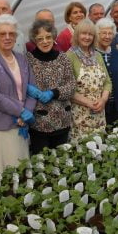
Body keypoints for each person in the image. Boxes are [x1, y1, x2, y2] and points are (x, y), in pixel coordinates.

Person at [0, 14, 36, 178]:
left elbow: (31, 89)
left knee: (21, 170)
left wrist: (28, 112)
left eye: (11, 34)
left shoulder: (21, 58)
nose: (7, 37)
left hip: (21, 125)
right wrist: (21, 111)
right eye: (2, 34)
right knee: (3, 173)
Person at [25, 20, 75, 154]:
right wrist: (29, 89)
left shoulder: (63, 58)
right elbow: (22, 83)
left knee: (61, 162)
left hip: (62, 120)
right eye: (40, 39)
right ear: (34, 41)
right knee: (42, 163)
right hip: (39, 123)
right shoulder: (28, 60)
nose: (45, 41)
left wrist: (54, 92)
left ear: (53, 37)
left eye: (48, 37)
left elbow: (71, 85)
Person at [66, 19, 112, 140]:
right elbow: (68, 89)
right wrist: (88, 103)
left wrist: (103, 99)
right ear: (77, 35)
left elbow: (107, 82)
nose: (87, 37)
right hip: (80, 115)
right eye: (84, 33)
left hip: (99, 113)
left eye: (90, 34)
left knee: (99, 147)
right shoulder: (69, 56)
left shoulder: (97, 55)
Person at [95, 18, 118, 124]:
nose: (107, 36)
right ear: (97, 34)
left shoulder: (117, 53)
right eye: (104, 33)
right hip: (100, 105)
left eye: (110, 33)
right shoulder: (92, 54)